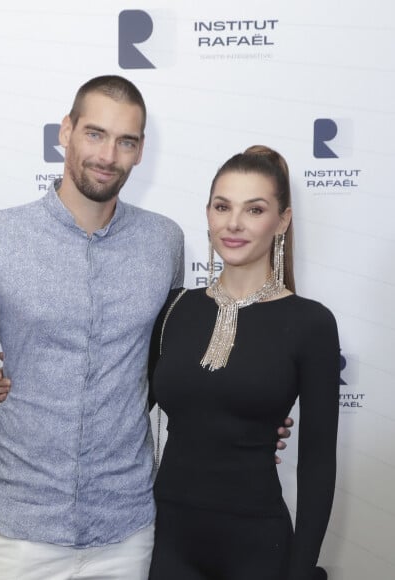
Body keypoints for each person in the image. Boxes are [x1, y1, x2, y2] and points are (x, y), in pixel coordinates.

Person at [0, 74, 293, 580]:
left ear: (141, 151)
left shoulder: (162, 241)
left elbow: (168, 369)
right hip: (21, 532)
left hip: (129, 532)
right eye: (95, 134)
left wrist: (249, 415)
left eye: (126, 141)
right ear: (66, 132)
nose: (108, 155)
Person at [147, 145, 340, 580]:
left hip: (258, 547)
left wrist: (300, 569)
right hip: (165, 540)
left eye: (254, 209)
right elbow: (118, 400)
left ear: (282, 220)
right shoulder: (175, 309)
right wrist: (24, 378)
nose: (233, 223)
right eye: (222, 206)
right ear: (209, 212)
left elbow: (317, 461)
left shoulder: (311, 323)